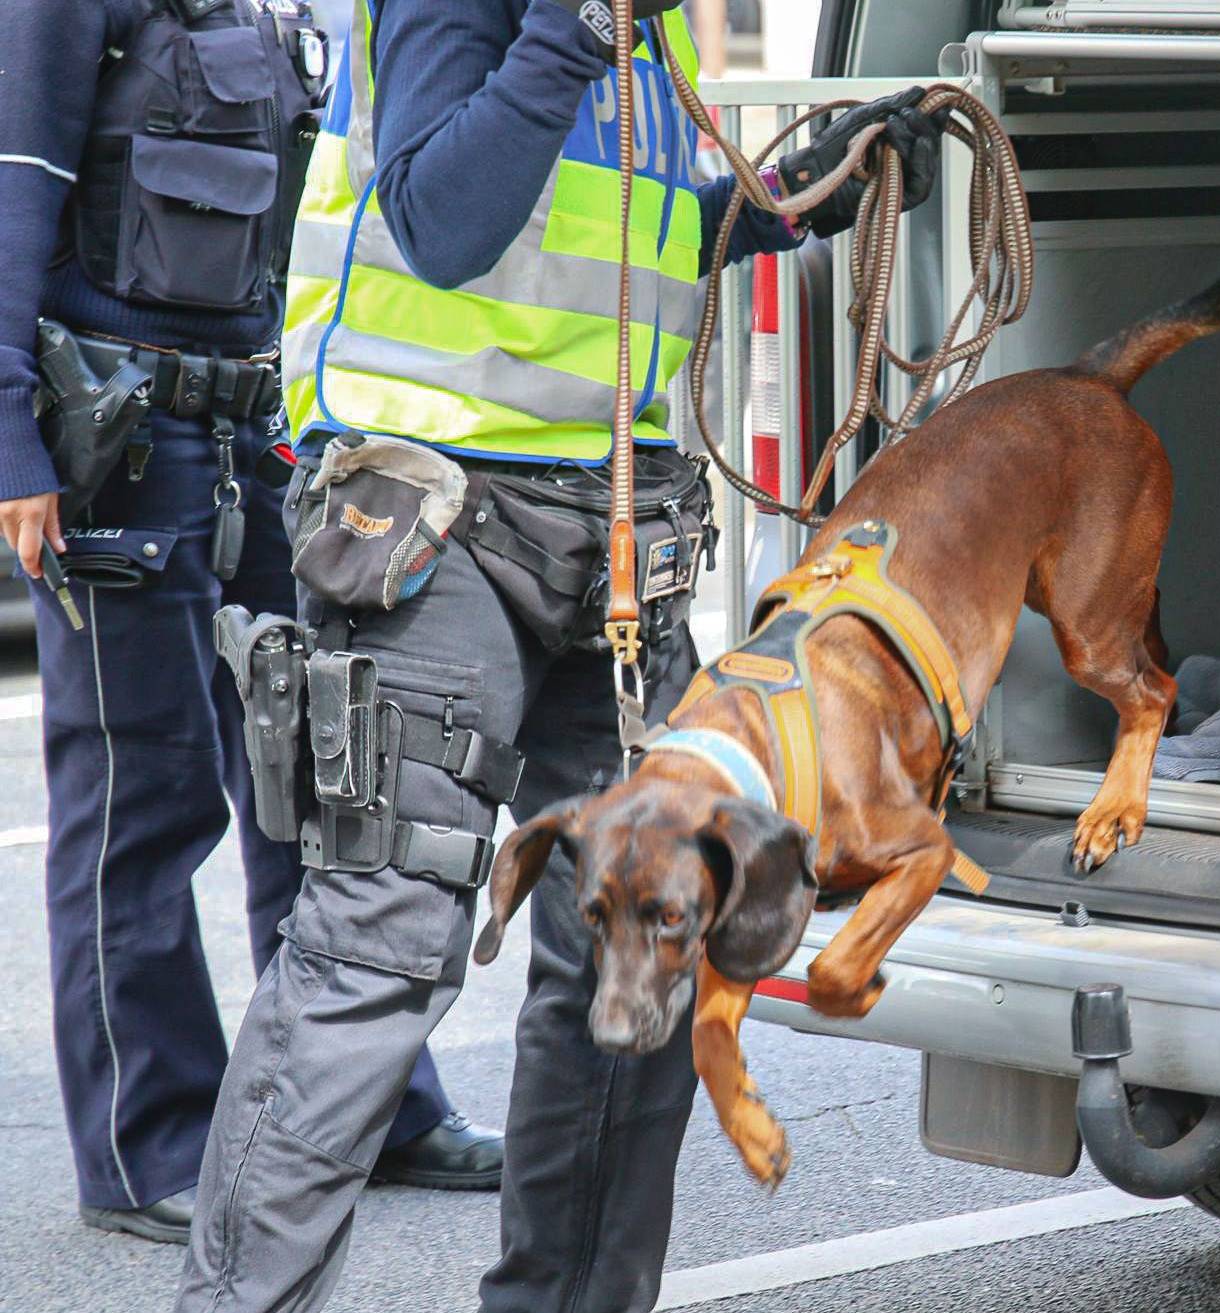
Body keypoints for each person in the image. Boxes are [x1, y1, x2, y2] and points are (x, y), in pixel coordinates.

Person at [174, 1, 945, 1308]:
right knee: (379, 953)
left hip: (616, 532)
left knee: (643, 937)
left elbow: (634, 238)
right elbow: (444, 221)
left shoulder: (639, 31)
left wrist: (810, 198)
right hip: (432, 519)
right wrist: (576, 30)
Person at [0, 0, 502, 1249]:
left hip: (272, 435)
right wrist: (10, 440)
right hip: (120, 441)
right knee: (141, 798)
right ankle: (146, 1141)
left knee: (330, 783)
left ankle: (364, 1109)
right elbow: (7, 197)